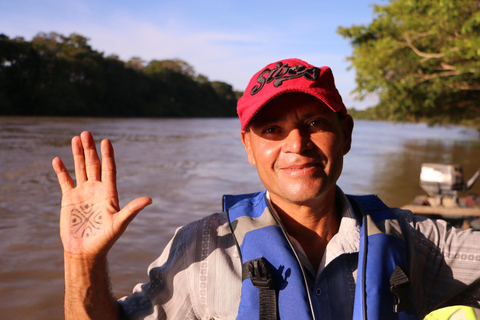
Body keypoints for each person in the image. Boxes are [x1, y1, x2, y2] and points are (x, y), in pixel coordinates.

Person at [53, 58, 480, 320]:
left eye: (314, 123)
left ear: (345, 133)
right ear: (249, 148)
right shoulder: (203, 248)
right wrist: (82, 261)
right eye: (272, 129)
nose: (296, 145)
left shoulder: (410, 239)